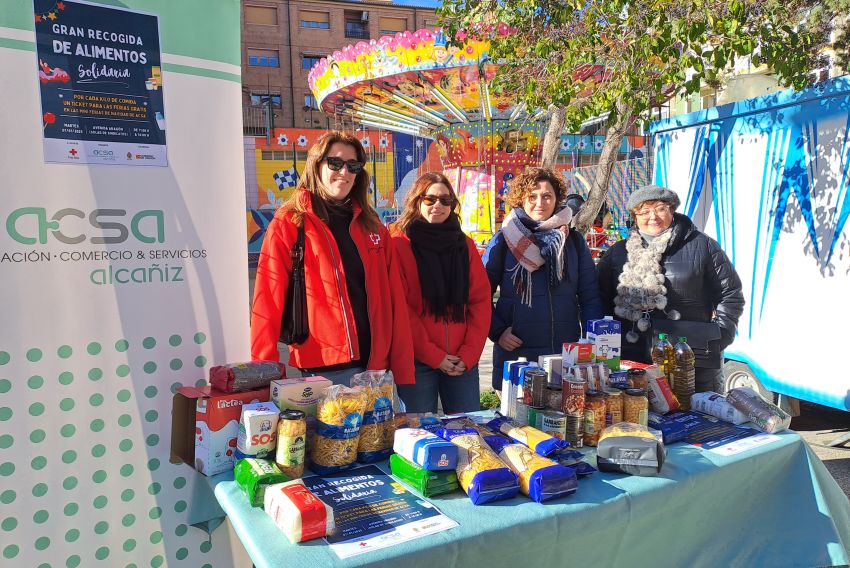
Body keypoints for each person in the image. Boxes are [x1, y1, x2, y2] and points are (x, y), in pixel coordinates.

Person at [250, 131, 414, 386]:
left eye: (353, 166)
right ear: (317, 165)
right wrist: (264, 373)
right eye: (335, 163)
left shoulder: (374, 227)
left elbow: (395, 301)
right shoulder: (291, 222)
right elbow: (267, 301)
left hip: (376, 367)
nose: (344, 172)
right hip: (324, 368)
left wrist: (400, 366)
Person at [597, 184, 745, 393]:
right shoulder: (618, 253)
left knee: (697, 422)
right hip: (633, 362)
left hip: (691, 359)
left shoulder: (702, 246)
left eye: (660, 208)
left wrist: (719, 336)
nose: (653, 217)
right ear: (635, 216)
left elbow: (730, 294)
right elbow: (600, 298)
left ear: (672, 210)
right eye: (644, 211)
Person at [483, 167, 604, 390]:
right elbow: (478, 295)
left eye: (547, 196)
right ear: (521, 199)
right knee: (517, 423)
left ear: (557, 199)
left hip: (565, 352)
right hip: (517, 353)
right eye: (532, 196)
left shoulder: (573, 242)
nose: (540, 202)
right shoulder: (504, 240)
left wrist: (593, 341)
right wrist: (497, 331)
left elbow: (590, 296)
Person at [391, 173, 491, 413]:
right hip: (418, 360)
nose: (439, 205)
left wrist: (469, 354)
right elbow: (403, 309)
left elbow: (480, 301)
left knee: (467, 432)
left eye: (446, 201)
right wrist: (434, 356)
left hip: (462, 360)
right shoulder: (398, 244)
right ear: (416, 200)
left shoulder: (463, 244)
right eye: (430, 199)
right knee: (419, 434)